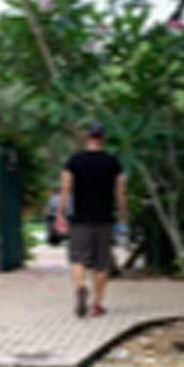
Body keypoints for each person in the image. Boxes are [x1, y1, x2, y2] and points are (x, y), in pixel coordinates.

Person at [56, 123, 127, 317]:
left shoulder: (74, 161)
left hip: (80, 219)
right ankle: (97, 304)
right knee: (101, 263)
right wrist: (122, 215)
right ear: (103, 138)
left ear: (87, 138)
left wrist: (60, 213)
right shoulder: (113, 162)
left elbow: (65, 190)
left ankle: (80, 288)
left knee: (78, 258)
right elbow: (120, 192)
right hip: (104, 218)